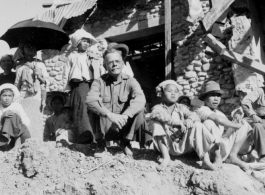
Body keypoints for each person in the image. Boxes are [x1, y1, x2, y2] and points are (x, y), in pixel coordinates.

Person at [86, 47, 149, 158]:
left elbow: (140, 99)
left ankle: (125, 143)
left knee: (139, 109)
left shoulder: (131, 81)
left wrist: (125, 115)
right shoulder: (98, 82)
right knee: (92, 108)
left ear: (123, 64)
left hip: (124, 125)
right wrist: (110, 115)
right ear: (105, 66)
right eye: (110, 62)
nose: (114, 64)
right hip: (106, 126)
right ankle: (100, 144)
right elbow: (90, 100)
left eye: (117, 61)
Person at [150, 80, 218, 171]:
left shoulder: (181, 108)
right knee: (157, 124)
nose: (173, 94)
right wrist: (174, 123)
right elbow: (156, 114)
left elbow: (194, 115)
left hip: (182, 144)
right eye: (169, 91)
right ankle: (166, 158)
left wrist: (190, 119)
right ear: (161, 94)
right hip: (167, 145)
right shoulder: (158, 108)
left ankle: (205, 160)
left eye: (176, 92)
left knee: (197, 124)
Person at [197, 81, 253, 170]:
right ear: (204, 97)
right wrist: (236, 126)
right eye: (212, 95)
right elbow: (218, 120)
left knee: (244, 123)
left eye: (218, 96)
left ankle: (232, 156)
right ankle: (216, 157)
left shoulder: (219, 113)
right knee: (209, 123)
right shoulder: (201, 110)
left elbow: (226, 125)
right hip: (208, 150)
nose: (216, 99)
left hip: (220, 145)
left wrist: (237, 118)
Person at [62, 29, 105, 144]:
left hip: (90, 85)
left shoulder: (91, 56)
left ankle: (93, 136)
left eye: (88, 42)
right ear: (78, 43)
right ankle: (82, 137)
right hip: (77, 86)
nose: (86, 44)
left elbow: (97, 70)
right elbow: (66, 73)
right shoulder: (72, 56)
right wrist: (67, 89)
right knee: (80, 109)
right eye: (84, 41)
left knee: (91, 109)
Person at [13, 41, 49, 140]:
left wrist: (39, 75)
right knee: (23, 118)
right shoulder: (20, 66)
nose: (30, 49)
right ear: (22, 49)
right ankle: (24, 141)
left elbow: (45, 82)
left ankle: (36, 141)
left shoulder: (40, 64)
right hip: (23, 95)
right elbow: (17, 84)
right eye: (27, 47)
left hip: (36, 95)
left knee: (35, 118)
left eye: (33, 47)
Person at [0, 84, 31, 151]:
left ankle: (17, 142)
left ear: (13, 97)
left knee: (13, 115)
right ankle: (5, 143)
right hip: (2, 132)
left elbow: (26, 122)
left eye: (9, 96)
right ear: (0, 97)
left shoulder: (17, 106)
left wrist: (17, 115)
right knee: (7, 116)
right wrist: (2, 116)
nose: (7, 98)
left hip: (18, 131)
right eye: (4, 95)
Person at [240, 87, 265, 163]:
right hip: (254, 118)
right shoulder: (259, 91)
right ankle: (263, 155)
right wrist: (253, 115)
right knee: (258, 126)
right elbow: (245, 102)